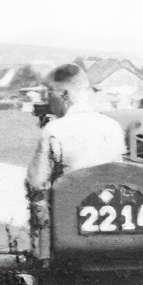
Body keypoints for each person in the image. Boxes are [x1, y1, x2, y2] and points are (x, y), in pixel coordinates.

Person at [24, 63, 127, 254]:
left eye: (49, 92)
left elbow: (36, 184)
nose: (47, 98)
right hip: (114, 223)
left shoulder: (54, 131)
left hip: (71, 227)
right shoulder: (113, 126)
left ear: (63, 94)